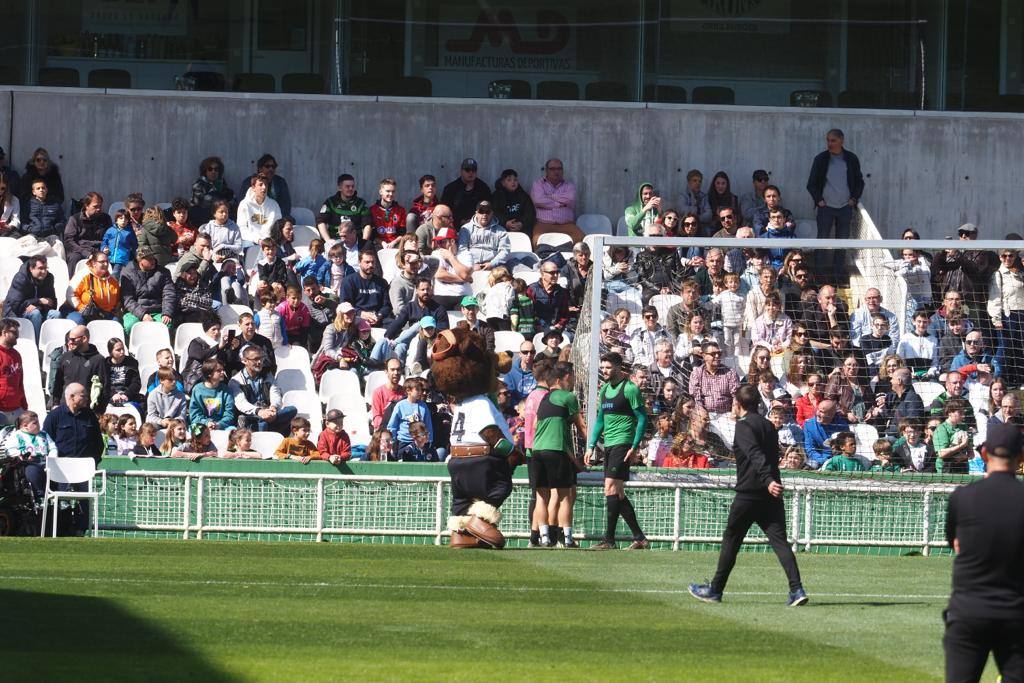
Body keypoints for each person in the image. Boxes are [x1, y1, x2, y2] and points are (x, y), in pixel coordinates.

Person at [689, 384, 807, 606]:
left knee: (731, 540)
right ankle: (797, 589)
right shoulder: (769, 426)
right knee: (780, 541)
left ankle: (715, 590)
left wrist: (768, 480)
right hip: (770, 496)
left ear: (738, 404)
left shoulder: (743, 427)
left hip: (750, 493)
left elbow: (755, 455)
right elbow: (767, 457)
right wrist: (772, 481)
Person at [942, 422, 1024, 682]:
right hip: (1017, 615)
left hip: (968, 613)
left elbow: (956, 545)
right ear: (1021, 457)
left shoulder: (962, 498)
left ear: (984, 453)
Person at [584, 352, 649, 551]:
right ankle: (640, 538)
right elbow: (601, 420)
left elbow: (642, 418)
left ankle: (609, 540)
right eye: (602, 367)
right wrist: (591, 445)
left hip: (623, 443)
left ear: (619, 368)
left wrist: (634, 445)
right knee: (617, 493)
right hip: (610, 444)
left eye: (608, 367)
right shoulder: (604, 390)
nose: (604, 370)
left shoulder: (630, 389)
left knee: (610, 488)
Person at [805, 128, 865, 274]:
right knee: (822, 242)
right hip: (826, 208)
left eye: (833, 140)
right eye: (828, 140)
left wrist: (854, 199)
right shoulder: (821, 159)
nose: (829, 143)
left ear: (841, 140)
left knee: (842, 243)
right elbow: (811, 184)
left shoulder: (851, 159)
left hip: (845, 207)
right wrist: (819, 200)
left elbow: (859, 182)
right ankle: (819, 276)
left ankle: (838, 275)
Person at [228, 345, 297, 435]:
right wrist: (259, 412)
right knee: (264, 423)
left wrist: (273, 408)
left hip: (270, 413)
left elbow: (275, 393)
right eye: (255, 359)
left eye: (261, 358)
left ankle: (266, 425)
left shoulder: (267, 375)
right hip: (251, 416)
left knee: (292, 410)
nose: (260, 362)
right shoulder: (236, 381)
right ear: (244, 361)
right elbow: (241, 404)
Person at [119, 245, 177, 334]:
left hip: (158, 310)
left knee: (166, 326)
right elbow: (127, 299)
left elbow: (169, 293)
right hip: (135, 311)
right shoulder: (127, 273)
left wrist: (167, 313)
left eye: (153, 258)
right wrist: (143, 315)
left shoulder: (163, 272)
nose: (153, 261)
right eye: (149, 259)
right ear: (140, 261)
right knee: (130, 326)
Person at [529, 158, 582, 246]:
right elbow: (538, 200)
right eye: (552, 169)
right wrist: (560, 204)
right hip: (544, 224)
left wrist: (549, 197)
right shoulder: (538, 184)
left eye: (559, 169)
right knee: (536, 241)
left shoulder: (569, 185)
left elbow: (569, 199)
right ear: (546, 171)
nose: (556, 171)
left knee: (581, 239)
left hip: (566, 225)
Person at [3, 410, 57, 498]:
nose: (39, 425)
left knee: (57, 471)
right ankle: (40, 495)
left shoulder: (44, 434)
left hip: (47, 461)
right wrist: (20, 454)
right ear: (25, 426)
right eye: (35, 423)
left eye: (38, 422)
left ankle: (60, 494)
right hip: (29, 462)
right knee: (32, 472)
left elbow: (52, 446)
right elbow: (10, 449)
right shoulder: (17, 436)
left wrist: (52, 456)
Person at [3, 256, 59, 338]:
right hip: (15, 313)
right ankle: (36, 345)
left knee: (56, 314)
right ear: (31, 269)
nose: (44, 272)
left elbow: (52, 303)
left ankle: (47, 344)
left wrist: (38, 305)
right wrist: (38, 301)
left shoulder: (49, 278)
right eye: (40, 268)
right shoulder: (21, 279)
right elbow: (15, 305)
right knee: (35, 314)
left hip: (39, 310)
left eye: (45, 268)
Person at [340, 249, 393, 328]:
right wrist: (361, 313)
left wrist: (379, 315)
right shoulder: (349, 281)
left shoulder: (382, 282)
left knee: (395, 324)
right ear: (359, 262)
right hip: (357, 317)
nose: (371, 265)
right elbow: (344, 305)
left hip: (377, 318)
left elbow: (387, 305)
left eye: (373, 262)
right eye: (367, 262)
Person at [64, 191, 113, 272]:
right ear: (86, 205)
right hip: (81, 250)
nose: (99, 209)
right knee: (74, 258)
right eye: (95, 206)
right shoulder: (75, 219)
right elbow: (69, 241)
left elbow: (111, 237)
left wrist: (106, 248)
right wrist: (85, 253)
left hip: (100, 249)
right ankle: (72, 283)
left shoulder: (106, 218)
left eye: (100, 206)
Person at [688, 341, 740, 418]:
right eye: (713, 354)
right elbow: (696, 399)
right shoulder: (697, 373)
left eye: (719, 353)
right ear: (704, 355)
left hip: (727, 414)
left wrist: (733, 413)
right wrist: (703, 413)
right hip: (705, 415)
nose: (717, 356)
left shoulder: (730, 372)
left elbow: (736, 396)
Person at [458, 201, 511, 271]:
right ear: (476, 213)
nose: (484, 214)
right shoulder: (465, 229)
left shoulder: (501, 231)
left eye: (487, 212)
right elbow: (462, 250)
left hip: (494, 267)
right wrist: (471, 264)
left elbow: (504, 251)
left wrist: (492, 264)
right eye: (481, 211)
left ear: (492, 213)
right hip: (470, 266)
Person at [317, 174, 370, 242]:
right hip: (335, 240)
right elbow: (320, 222)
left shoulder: (361, 203)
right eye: (347, 186)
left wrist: (363, 242)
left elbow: (367, 224)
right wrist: (328, 240)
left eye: (352, 186)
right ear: (340, 188)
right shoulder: (331, 202)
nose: (351, 189)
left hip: (355, 241)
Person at [441, 158, 492, 226]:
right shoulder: (450, 189)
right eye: (467, 170)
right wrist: (460, 221)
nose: (471, 173)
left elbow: (489, 208)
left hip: (479, 225)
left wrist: (476, 220)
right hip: (455, 226)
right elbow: (444, 210)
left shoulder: (483, 188)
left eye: (473, 170)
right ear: (461, 171)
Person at [430, 227, 473, 308]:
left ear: (452, 241)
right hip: (441, 296)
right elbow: (440, 275)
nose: (438, 245)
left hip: (463, 295)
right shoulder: (436, 253)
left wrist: (451, 257)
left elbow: (465, 274)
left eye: (441, 242)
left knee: (470, 307)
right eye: (437, 242)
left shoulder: (466, 254)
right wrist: (464, 279)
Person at [188, 359, 236, 431]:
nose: (223, 372)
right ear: (209, 374)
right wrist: (206, 423)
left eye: (222, 370)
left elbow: (229, 413)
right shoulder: (198, 389)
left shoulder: (226, 390)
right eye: (219, 371)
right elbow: (195, 414)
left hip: (222, 425)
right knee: (195, 431)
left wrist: (219, 424)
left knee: (233, 431)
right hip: (202, 424)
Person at [236, 174, 281, 245]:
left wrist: (268, 240)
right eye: (260, 185)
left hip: (269, 241)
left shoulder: (274, 205)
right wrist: (258, 240)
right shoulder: (244, 204)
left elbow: (278, 226)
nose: (264, 187)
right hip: (250, 240)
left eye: (266, 184)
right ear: (253, 187)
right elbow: (241, 228)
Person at [491, 168, 536, 239]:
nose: (513, 182)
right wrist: (506, 223)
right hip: (503, 226)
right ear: (503, 183)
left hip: (521, 228)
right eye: (509, 180)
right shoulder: (496, 196)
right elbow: (494, 212)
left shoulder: (523, 195)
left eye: (515, 180)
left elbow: (530, 213)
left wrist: (521, 223)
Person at [527, 260, 571, 332]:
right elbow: (528, 313)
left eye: (557, 272)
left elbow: (565, 314)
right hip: (536, 330)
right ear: (542, 274)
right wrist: (536, 325)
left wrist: (560, 324)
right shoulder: (531, 290)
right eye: (552, 273)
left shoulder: (562, 292)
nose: (556, 275)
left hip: (556, 331)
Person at [190, 156, 234, 223]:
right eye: (210, 169)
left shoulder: (222, 183)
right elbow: (202, 201)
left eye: (216, 169)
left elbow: (232, 199)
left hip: (221, 220)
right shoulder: (199, 185)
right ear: (205, 171)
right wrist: (220, 199)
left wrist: (228, 203)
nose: (213, 172)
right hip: (202, 220)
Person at [0, 319, 26, 426]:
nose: (17, 336)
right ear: (4, 333)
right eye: (14, 332)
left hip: (17, 409)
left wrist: (24, 405)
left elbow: (20, 382)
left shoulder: (16, 355)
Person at [366, 177, 407, 246]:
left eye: (393, 191)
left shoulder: (401, 210)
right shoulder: (372, 210)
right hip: (378, 245)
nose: (391, 194)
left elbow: (402, 233)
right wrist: (382, 243)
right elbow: (371, 235)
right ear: (381, 192)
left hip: (396, 244)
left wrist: (393, 243)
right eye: (388, 191)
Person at [371, 358, 405, 430]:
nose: (396, 372)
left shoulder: (405, 392)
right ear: (386, 371)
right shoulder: (378, 393)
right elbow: (376, 418)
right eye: (392, 370)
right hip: (385, 431)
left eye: (398, 369)